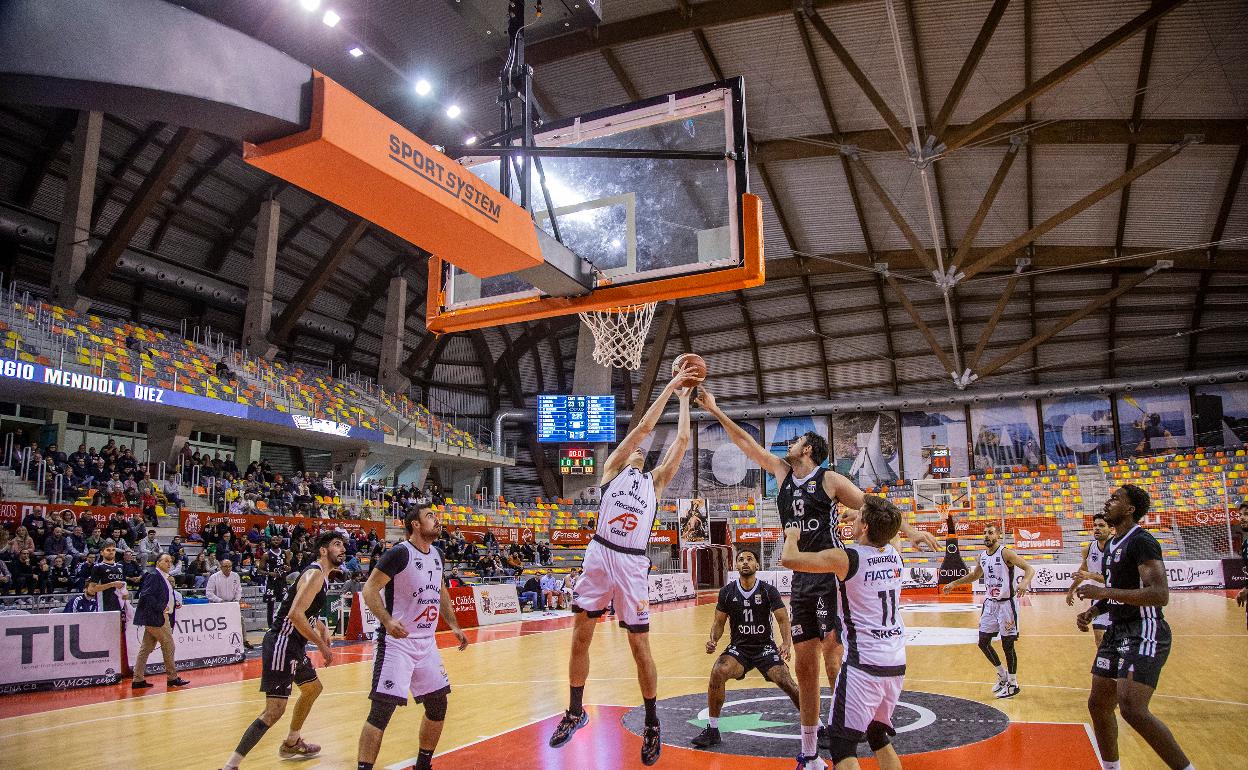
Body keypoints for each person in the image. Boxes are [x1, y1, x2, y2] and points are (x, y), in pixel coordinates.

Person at [696, 387, 938, 763]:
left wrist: (911, 531)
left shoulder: (830, 481)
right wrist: (715, 408)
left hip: (829, 575)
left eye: (798, 441)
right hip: (802, 580)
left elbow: (874, 507)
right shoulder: (781, 472)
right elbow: (745, 443)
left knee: (833, 659)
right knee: (805, 667)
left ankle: (848, 728)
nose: (790, 444)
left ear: (809, 450)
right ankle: (809, 753)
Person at [547, 366, 695, 766]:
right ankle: (575, 711)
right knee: (581, 637)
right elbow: (645, 426)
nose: (640, 451)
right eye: (636, 449)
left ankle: (651, 721)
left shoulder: (656, 482)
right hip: (599, 552)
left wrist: (683, 402)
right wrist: (667, 387)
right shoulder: (612, 467)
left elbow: (681, 440)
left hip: (631, 562)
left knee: (638, 645)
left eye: (643, 453)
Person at [779, 496, 907, 770]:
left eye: (860, 517)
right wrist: (863, 518)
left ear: (866, 528)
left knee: (841, 746)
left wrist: (791, 535)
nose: (855, 518)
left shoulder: (846, 559)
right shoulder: (895, 553)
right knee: (877, 736)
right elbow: (888, 531)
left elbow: (790, 559)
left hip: (864, 665)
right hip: (895, 663)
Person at [1076, 486, 1193, 770]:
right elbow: (1120, 591)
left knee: (1132, 708)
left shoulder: (1142, 541)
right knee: (1099, 704)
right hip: (1117, 630)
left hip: (1144, 629)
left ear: (1130, 509)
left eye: (1116, 499)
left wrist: (1103, 594)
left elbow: (1159, 594)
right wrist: (1094, 610)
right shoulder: (1113, 544)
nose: (1108, 501)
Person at [356, 505, 469, 770]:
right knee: (382, 711)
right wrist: (387, 620)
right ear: (415, 525)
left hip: (426, 642)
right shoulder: (399, 553)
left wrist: (453, 625)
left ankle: (423, 764)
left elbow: (440, 592)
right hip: (397, 643)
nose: (437, 519)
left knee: (438, 706)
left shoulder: (438, 555)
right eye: (430, 516)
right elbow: (369, 589)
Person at [220, 532, 346, 769]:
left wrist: (322, 628)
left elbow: (307, 611)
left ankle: (292, 742)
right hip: (282, 642)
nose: (342, 549)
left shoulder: (323, 576)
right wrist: (321, 646)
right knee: (273, 711)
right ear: (322, 550)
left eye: (343, 545)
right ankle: (231, 765)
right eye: (336, 544)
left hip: (293, 645)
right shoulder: (314, 574)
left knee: (312, 689)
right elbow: (295, 614)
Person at [692, 547, 800, 750]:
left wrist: (786, 643)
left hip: (764, 648)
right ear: (736, 565)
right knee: (718, 671)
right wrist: (713, 639)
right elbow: (718, 622)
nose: (745, 562)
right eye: (741, 559)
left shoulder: (768, 590)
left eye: (750, 559)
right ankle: (713, 730)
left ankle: (817, 727)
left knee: (786, 681)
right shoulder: (727, 592)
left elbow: (783, 619)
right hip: (739, 649)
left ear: (757, 565)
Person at [941, 523, 1034, 698]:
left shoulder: (1006, 553)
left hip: (1007, 605)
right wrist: (954, 583)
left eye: (990, 533)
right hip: (990, 604)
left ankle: (1013, 684)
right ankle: (1002, 675)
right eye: (984, 533)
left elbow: (1029, 568)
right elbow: (975, 576)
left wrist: (1023, 582)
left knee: (1008, 645)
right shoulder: (982, 556)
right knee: (983, 642)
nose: (986, 536)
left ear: (998, 535)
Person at [132, 553, 191, 689]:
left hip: (157, 616)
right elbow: (146, 595)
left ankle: (138, 679)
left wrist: (172, 604)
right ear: (158, 562)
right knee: (169, 645)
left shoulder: (163, 577)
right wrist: (161, 607)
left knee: (145, 648)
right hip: (156, 617)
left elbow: (163, 596)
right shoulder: (154, 575)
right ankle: (172, 678)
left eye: (170, 561)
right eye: (166, 561)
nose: (169, 564)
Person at [1067, 513, 1113, 645]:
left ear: (1111, 529)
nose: (1097, 528)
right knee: (1099, 638)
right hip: (1099, 599)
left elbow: (1116, 579)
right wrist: (1071, 591)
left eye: (1101, 525)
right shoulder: (1088, 549)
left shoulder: (1117, 549)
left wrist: (1091, 575)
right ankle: (1105, 664)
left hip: (1117, 597)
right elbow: (1083, 571)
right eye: (1095, 525)